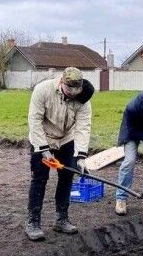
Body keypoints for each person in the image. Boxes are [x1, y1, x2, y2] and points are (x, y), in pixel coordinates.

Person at [25, 67, 94, 241]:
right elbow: (34, 120)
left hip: (66, 139)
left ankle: (61, 219)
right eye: (69, 91)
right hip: (43, 137)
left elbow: (83, 128)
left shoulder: (83, 99)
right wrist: (43, 149)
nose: (72, 95)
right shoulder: (43, 90)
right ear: (62, 82)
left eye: (75, 92)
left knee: (67, 175)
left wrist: (80, 156)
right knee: (39, 178)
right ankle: (33, 222)